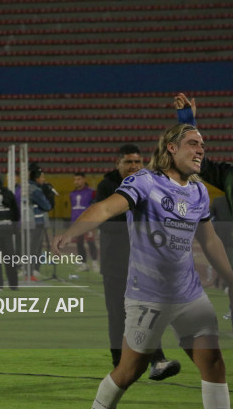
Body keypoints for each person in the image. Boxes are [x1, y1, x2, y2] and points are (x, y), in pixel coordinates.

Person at [53, 124, 233, 409]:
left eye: (202, 145)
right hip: (149, 297)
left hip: (190, 295)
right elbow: (106, 207)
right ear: (171, 148)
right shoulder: (146, 181)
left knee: (213, 362)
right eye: (192, 144)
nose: (200, 150)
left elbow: (211, 243)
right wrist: (70, 233)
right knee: (129, 371)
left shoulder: (199, 191)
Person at [95, 143, 180, 379]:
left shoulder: (149, 184)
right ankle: (118, 365)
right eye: (128, 162)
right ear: (118, 164)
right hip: (116, 263)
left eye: (137, 162)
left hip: (145, 262)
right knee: (117, 314)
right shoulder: (107, 186)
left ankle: (157, 361)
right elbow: (105, 221)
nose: (133, 166)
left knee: (149, 312)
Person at [25, 163, 52, 278]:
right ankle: (32, 271)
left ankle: (30, 270)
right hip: (36, 221)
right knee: (35, 247)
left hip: (28, 221)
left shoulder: (26, 187)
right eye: (42, 177)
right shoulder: (35, 189)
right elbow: (47, 206)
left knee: (31, 247)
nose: (44, 180)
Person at [70, 172, 98, 273]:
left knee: (90, 242)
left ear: (84, 179)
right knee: (79, 243)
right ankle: (84, 264)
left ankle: (94, 263)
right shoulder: (72, 193)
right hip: (76, 223)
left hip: (88, 222)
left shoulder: (91, 192)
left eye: (78, 179)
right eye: (75, 179)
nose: (76, 181)